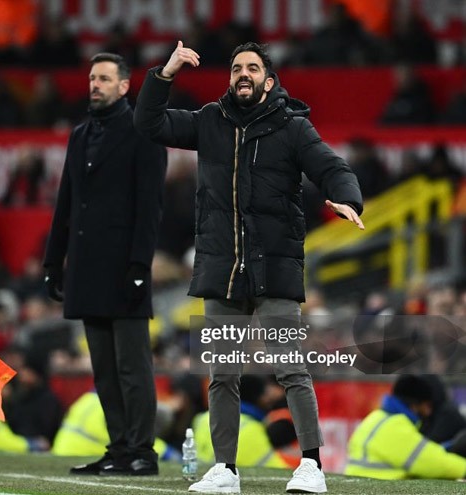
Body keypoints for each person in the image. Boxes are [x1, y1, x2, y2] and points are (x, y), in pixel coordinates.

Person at [134, 41, 364, 494]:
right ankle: (225, 470)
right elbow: (148, 122)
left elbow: (332, 168)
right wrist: (166, 73)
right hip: (223, 269)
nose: (243, 73)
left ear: (269, 80)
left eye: (252, 68)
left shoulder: (293, 127)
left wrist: (348, 199)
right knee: (222, 374)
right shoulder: (209, 122)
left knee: (290, 368)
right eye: (237, 67)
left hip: (274, 266)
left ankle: (312, 465)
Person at [43, 52, 167, 476]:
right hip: (85, 269)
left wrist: (139, 267)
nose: (94, 84)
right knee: (103, 370)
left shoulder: (143, 133)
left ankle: (142, 452)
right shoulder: (79, 135)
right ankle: (118, 449)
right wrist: (52, 261)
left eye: (104, 79)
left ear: (124, 86)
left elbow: (150, 209)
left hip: (123, 269)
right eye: (92, 77)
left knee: (133, 367)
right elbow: (66, 203)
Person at [345, 374, 466, 480]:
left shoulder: (376, 417)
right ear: (415, 405)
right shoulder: (397, 426)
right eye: (427, 405)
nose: (428, 412)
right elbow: (434, 462)